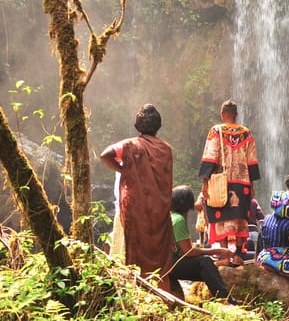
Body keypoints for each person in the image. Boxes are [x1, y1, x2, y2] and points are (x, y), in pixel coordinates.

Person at [100, 103, 174, 290]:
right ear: (158, 125)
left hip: (134, 208)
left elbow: (105, 155)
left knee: (130, 251)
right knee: (159, 257)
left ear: (138, 124)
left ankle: (132, 294)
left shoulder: (130, 145)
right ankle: (161, 298)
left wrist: (124, 169)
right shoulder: (166, 149)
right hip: (159, 209)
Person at [199, 99, 261, 264]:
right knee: (240, 218)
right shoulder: (246, 133)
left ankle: (224, 254)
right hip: (242, 183)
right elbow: (252, 160)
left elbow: (210, 156)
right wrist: (252, 185)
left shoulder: (216, 131)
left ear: (222, 114)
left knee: (221, 217)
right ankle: (239, 253)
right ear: (236, 114)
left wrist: (205, 184)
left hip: (220, 183)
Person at [169, 185, 235, 302]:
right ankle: (225, 300)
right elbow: (188, 252)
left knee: (208, 268)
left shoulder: (172, 216)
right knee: (205, 262)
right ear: (187, 203)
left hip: (169, 262)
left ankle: (221, 298)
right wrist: (219, 251)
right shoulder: (178, 220)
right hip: (172, 264)